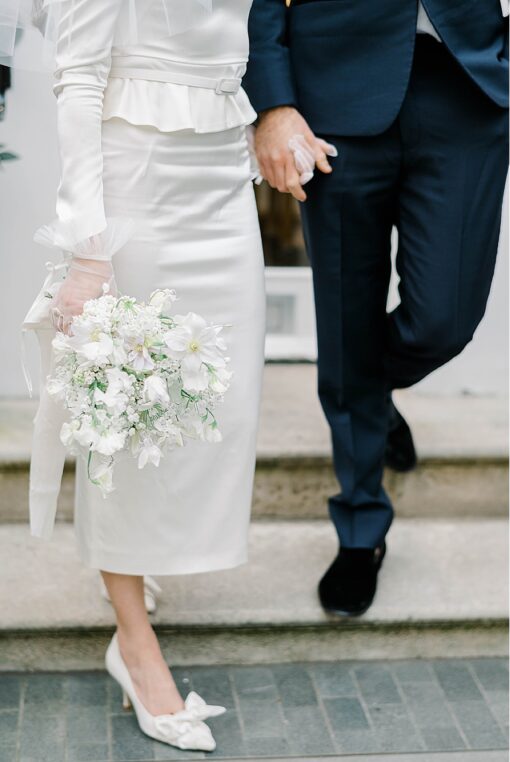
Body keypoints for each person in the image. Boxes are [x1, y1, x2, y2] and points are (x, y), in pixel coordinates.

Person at [17, 0, 266, 751]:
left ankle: (142, 562)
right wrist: (90, 251)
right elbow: (79, 79)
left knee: (218, 402)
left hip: (224, 178)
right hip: (138, 183)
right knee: (123, 414)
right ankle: (133, 643)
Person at [243, 0, 509, 616]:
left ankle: (367, 396)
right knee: (346, 318)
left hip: (468, 86)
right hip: (333, 92)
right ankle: (360, 528)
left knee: (443, 320)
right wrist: (274, 104)